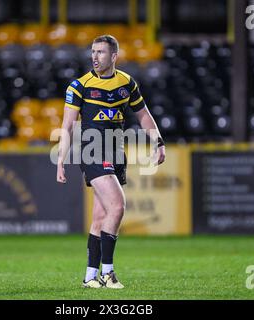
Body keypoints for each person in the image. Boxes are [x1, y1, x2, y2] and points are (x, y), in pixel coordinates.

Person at [56, 35, 166, 289]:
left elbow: (144, 116)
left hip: (116, 151)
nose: (95, 57)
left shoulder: (126, 83)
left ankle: (90, 277)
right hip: (93, 150)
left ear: (114, 56)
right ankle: (108, 273)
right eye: (93, 52)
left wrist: (158, 142)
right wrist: (61, 160)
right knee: (117, 206)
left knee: (101, 216)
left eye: (101, 52)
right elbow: (68, 126)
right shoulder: (79, 86)